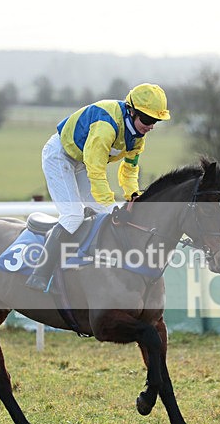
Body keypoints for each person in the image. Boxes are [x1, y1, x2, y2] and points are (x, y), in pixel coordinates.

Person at [26, 83, 171, 291]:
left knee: (101, 212)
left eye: (155, 121)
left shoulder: (138, 138)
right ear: (131, 111)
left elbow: (129, 170)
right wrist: (111, 205)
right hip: (60, 156)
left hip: (81, 161)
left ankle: (85, 268)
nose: (151, 126)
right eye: (147, 120)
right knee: (74, 215)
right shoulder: (106, 127)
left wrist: (132, 196)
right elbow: (96, 170)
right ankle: (40, 273)